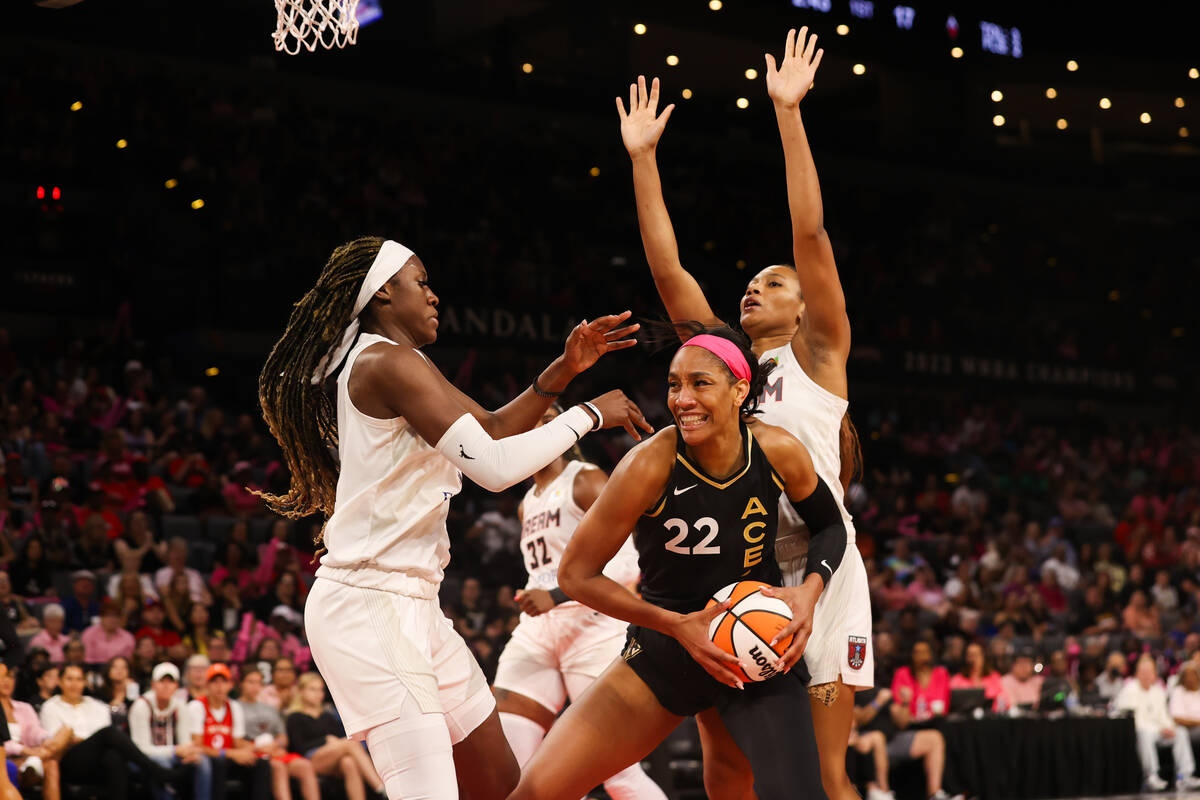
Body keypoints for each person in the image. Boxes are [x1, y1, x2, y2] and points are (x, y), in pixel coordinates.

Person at [257, 235, 651, 799]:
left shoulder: (407, 364)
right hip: (370, 602)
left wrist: (563, 370)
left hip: (416, 602)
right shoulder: (384, 361)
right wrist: (588, 414)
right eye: (422, 282)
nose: (434, 296)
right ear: (384, 293)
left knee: (497, 781)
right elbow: (493, 467)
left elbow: (493, 427)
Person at [616, 27, 869, 800]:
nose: (754, 288)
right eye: (751, 282)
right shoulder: (722, 365)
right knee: (728, 768)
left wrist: (788, 113)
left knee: (821, 777)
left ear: (804, 309)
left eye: (775, 284)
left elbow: (810, 233)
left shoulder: (817, 356)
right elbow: (667, 268)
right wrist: (643, 159)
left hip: (821, 570)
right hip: (740, 562)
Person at [509, 327, 847, 800]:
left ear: (739, 390)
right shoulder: (649, 464)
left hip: (752, 649)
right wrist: (675, 625)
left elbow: (832, 526)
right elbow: (575, 575)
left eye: (700, 383)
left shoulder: (777, 449)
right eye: (673, 384)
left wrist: (809, 591)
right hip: (665, 650)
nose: (682, 398)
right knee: (534, 792)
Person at [492, 404, 666, 799]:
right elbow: (546, 568)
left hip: (594, 627)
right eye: (532, 420)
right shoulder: (527, 502)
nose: (539, 425)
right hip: (540, 633)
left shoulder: (584, 480)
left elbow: (627, 563)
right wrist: (534, 594)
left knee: (617, 773)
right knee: (516, 770)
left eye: (549, 418)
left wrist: (554, 595)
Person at [39, 662, 177, 798]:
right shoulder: (50, 707)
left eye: (79, 679)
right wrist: (89, 740)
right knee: (108, 733)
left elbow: (105, 741)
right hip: (67, 761)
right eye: (69, 679)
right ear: (60, 682)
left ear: (85, 682)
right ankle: (156, 770)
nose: (74, 684)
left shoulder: (97, 706)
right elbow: (56, 744)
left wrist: (83, 739)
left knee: (113, 756)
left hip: (98, 761)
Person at [286, 672, 384, 800]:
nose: (318, 694)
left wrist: (334, 743)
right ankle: (380, 788)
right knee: (350, 743)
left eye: (320, 690)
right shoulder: (294, 717)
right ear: (301, 691)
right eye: (312, 689)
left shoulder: (327, 715)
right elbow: (299, 747)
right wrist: (325, 740)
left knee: (348, 762)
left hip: (334, 756)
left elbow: (339, 738)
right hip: (309, 760)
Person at [851, 688, 961, 800]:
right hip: (866, 738)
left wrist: (905, 703)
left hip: (893, 738)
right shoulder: (858, 687)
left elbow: (903, 723)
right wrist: (877, 702)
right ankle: (884, 792)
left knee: (934, 738)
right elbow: (857, 720)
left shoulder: (881, 686)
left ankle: (935, 794)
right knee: (878, 738)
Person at [182, 662, 270, 800]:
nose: (219, 686)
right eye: (214, 682)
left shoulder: (234, 707)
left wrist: (254, 750)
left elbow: (238, 742)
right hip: (208, 757)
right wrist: (229, 753)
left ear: (230, 685)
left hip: (228, 756)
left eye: (224, 682)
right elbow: (196, 745)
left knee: (261, 763)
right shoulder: (197, 706)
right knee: (219, 762)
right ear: (207, 685)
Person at [129, 662, 213, 800]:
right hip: (142, 760)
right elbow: (141, 749)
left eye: (171, 681)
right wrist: (174, 751)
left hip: (172, 755)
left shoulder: (180, 706)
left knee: (202, 761)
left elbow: (185, 742)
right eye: (162, 681)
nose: (166, 686)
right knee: (162, 763)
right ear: (153, 684)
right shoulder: (141, 706)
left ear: (176, 686)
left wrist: (188, 752)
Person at [1116, 654, 1200, 791]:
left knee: (1180, 732)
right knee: (1145, 734)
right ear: (1137, 674)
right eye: (1143, 672)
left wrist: (1169, 728)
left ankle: (1185, 775)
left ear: (1155, 674)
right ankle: (1151, 776)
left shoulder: (1158, 692)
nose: (1147, 676)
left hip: (1160, 732)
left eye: (1150, 672)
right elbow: (1132, 719)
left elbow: (1165, 716)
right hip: (1140, 733)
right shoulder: (1129, 689)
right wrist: (1158, 729)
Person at [239, 666, 320, 800]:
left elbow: (283, 737)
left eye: (258, 682)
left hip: (275, 750)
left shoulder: (270, 708)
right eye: (250, 682)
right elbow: (234, 739)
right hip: (252, 753)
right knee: (278, 766)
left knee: (305, 765)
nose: (255, 686)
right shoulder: (235, 706)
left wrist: (275, 746)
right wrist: (260, 748)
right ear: (241, 683)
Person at [1, 663, 66, 800]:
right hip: (9, 757)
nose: (6, 681)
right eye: (1, 677)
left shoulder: (25, 707)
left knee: (51, 762)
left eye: (10, 677)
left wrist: (45, 739)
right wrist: (25, 750)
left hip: (31, 755)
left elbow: (34, 731)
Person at [891, 641, 951, 721]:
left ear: (930, 655)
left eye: (924, 652)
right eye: (917, 652)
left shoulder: (941, 673)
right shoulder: (902, 674)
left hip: (936, 721)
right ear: (912, 655)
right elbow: (897, 702)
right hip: (910, 723)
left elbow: (944, 703)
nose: (921, 656)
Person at [949, 641, 1009, 711]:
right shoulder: (957, 679)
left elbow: (1004, 699)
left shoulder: (994, 676)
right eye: (970, 655)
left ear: (984, 657)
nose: (973, 659)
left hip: (990, 717)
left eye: (976, 655)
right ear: (965, 658)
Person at [81, 599, 136, 665]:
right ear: (101, 617)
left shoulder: (128, 637)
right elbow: (86, 658)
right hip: (94, 670)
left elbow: (129, 661)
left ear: (120, 619)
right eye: (108, 616)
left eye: (115, 616)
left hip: (119, 671)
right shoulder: (89, 633)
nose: (112, 619)